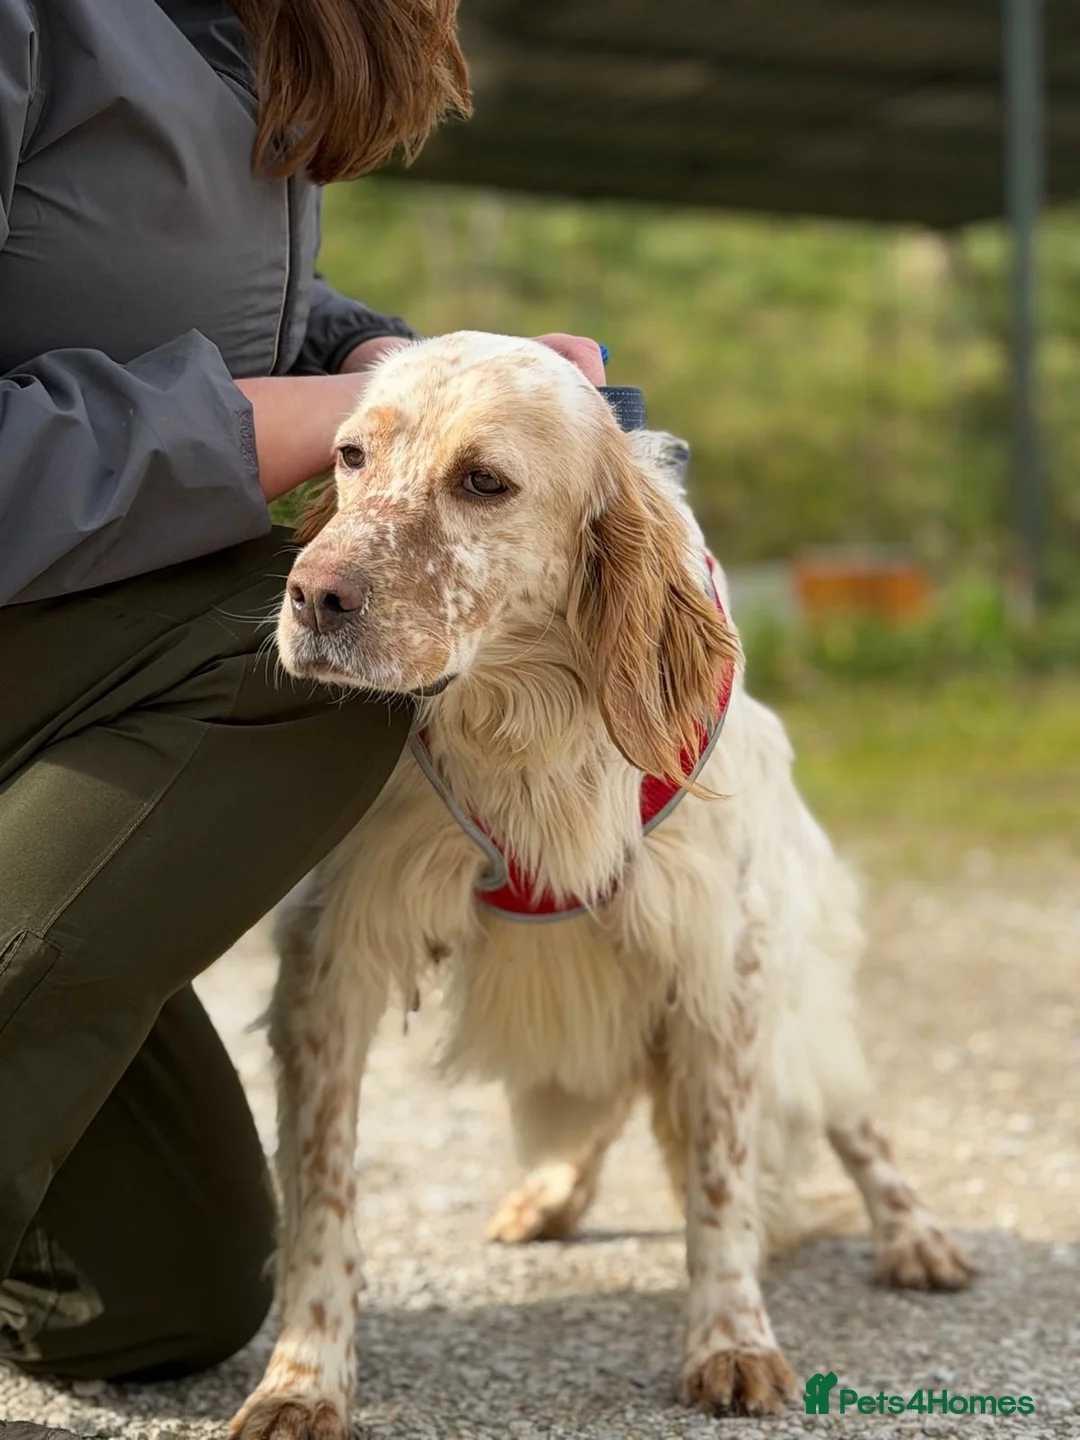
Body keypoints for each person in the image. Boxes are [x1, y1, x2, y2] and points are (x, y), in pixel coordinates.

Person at [0, 0, 605, 1390]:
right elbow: (209, 373)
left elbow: (177, 310)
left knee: (154, 1294)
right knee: (335, 644)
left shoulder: (242, 22)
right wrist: (260, 429)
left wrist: (388, 366)